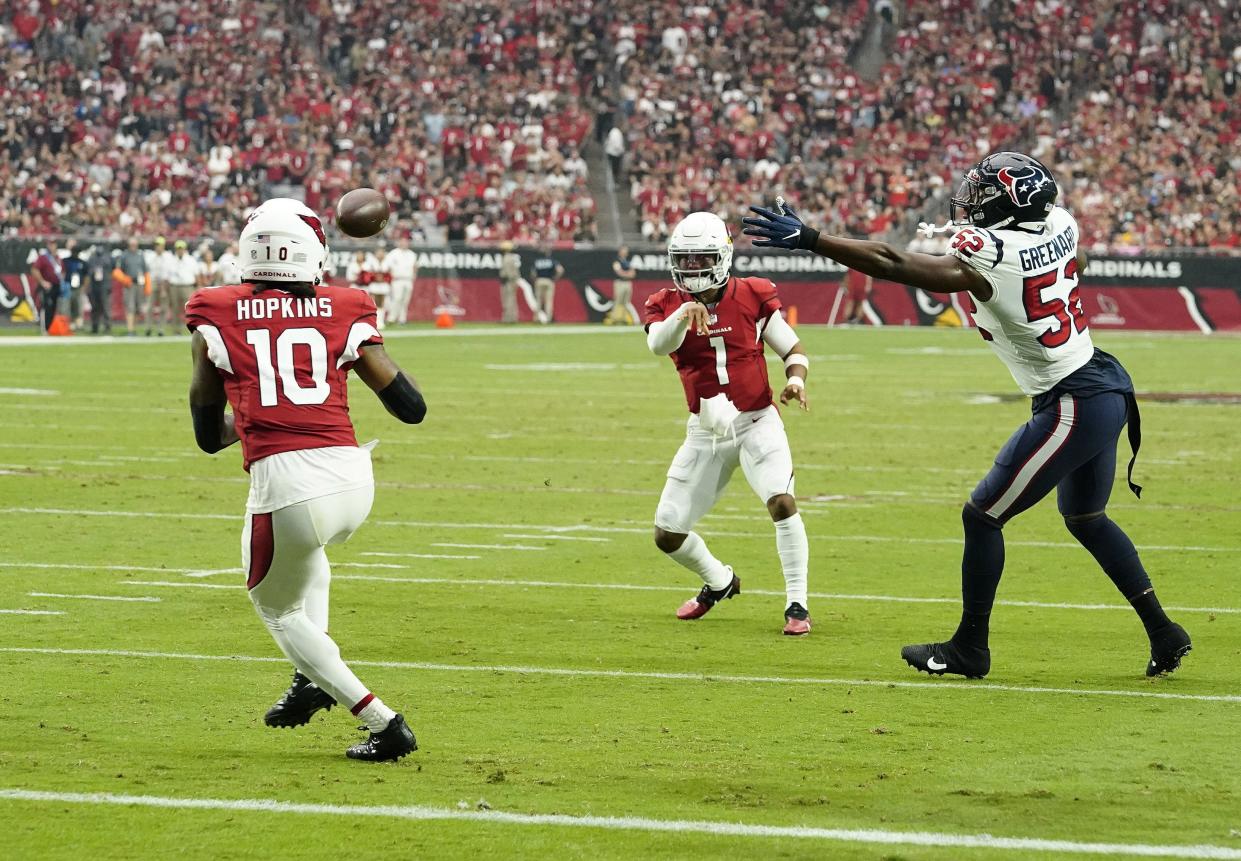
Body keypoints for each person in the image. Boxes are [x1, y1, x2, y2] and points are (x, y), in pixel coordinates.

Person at [743, 152, 1191, 677]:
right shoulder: (1060, 225)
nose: (971, 202)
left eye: (982, 194)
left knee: (982, 516)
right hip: (1103, 383)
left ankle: (969, 649)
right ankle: (1164, 631)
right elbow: (1077, 263)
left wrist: (815, 239)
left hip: (1072, 400)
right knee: (1086, 517)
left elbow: (894, 262)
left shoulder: (994, 252)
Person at [185, 198, 426, 762]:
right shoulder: (345, 306)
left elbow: (205, 430)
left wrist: (250, 421)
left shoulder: (214, 312)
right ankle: (308, 680)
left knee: (276, 608)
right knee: (308, 562)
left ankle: (382, 722)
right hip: (351, 476)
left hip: (288, 484)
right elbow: (410, 407)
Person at [644, 212, 813, 635]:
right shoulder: (666, 304)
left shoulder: (752, 294)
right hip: (705, 432)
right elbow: (656, 344)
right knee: (667, 532)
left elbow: (792, 347)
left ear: (721, 256)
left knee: (781, 501)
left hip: (757, 421)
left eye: (700, 258)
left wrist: (794, 380)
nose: (691, 268)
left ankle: (797, 603)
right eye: (683, 260)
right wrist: (684, 313)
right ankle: (719, 581)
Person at [382, 236, 418, 326]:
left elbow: (415, 266)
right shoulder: (393, 253)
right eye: (403, 242)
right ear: (399, 243)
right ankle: (391, 318)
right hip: (397, 279)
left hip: (408, 279)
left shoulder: (412, 254)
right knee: (397, 299)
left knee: (405, 301)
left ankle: (402, 319)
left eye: (406, 242)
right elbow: (387, 266)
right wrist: (390, 278)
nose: (404, 244)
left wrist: (414, 276)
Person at [30, 239, 64, 333]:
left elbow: (62, 271)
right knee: (46, 306)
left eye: (54, 244)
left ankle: (51, 328)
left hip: (56, 285)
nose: (52, 246)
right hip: (47, 286)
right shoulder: (43, 258)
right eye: (50, 244)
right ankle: (44, 328)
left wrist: (62, 281)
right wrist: (42, 282)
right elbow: (34, 270)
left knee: (54, 307)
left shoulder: (58, 258)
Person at [117, 237, 149, 336]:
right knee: (130, 307)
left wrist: (147, 286)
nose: (133, 246)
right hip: (129, 285)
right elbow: (119, 271)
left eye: (135, 244)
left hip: (140, 284)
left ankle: (134, 328)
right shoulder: (124, 255)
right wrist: (125, 280)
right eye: (132, 244)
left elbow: (145, 270)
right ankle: (130, 330)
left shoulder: (140, 255)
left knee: (138, 308)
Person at [146, 236, 176, 336]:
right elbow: (147, 271)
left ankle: (161, 329)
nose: (158, 247)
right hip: (153, 281)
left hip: (165, 282)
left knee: (164, 307)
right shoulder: (150, 256)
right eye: (157, 245)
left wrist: (164, 288)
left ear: (163, 246)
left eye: (160, 245)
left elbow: (168, 273)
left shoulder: (168, 257)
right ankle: (148, 327)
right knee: (149, 306)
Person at [167, 239, 199, 333]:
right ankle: (176, 329)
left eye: (181, 248)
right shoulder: (171, 260)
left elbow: (196, 274)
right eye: (178, 248)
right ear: (176, 249)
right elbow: (168, 276)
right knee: (175, 309)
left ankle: (191, 328)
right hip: (174, 286)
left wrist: (197, 288)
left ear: (184, 249)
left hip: (187, 286)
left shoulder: (191, 260)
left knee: (189, 309)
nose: (180, 250)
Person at [83, 244, 114, 334]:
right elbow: (88, 273)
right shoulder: (92, 259)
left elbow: (112, 270)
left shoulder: (107, 259)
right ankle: (95, 326)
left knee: (105, 307)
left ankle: (107, 326)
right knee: (95, 308)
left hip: (104, 286)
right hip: (94, 287)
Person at [530, 245, 563, 324]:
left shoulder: (537, 261)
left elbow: (533, 273)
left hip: (539, 280)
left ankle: (536, 318)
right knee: (549, 301)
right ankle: (548, 318)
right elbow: (560, 270)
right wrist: (555, 278)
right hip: (549, 280)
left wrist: (535, 280)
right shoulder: (551, 260)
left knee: (538, 301)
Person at [605, 244, 637, 325]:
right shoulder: (616, 261)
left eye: (626, 251)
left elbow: (633, 273)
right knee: (618, 301)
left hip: (628, 283)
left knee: (626, 302)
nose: (625, 252)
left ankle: (623, 318)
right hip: (620, 282)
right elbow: (619, 272)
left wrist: (627, 274)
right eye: (624, 250)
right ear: (620, 251)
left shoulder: (628, 261)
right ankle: (614, 319)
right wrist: (627, 274)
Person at [498, 240, 521, 323]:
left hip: (509, 282)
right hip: (511, 281)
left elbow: (508, 273)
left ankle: (509, 318)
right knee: (510, 300)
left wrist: (507, 279)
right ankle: (511, 317)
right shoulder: (510, 257)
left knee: (508, 300)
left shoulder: (507, 258)